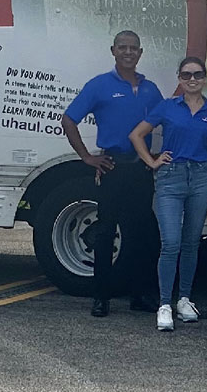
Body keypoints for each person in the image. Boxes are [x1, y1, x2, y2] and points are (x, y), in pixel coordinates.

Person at [60, 30, 164, 318]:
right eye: (122, 47)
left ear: (140, 53)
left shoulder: (150, 89)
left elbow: (165, 121)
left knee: (145, 236)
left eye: (133, 48)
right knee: (105, 233)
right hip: (112, 167)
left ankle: (140, 294)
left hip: (141, 169)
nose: (128, 52)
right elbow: (69, 120)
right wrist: (87, 158)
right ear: (113, 51)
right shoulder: (99, 85)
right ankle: (101, 297)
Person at [129, 57, 207, 332]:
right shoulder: (168, 107)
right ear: (179, 78)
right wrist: (151, 161)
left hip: (201, 178)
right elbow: (137, 135)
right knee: (171, 242)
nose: (192, 79)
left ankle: (184, 299)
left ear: (204, 78)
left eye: (197, 75)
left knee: (191, 242)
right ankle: (164, 305)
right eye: (186, 75)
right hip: (171, 178)